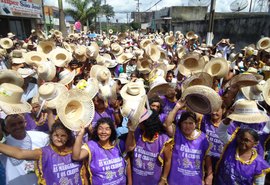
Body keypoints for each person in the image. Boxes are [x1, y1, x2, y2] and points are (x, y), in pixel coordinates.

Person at [165, 100, 213, 185]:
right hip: (175, 180)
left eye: (191, 123)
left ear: (195, 124)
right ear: (180, 124)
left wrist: (209, 175)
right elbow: (168, 124)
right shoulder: (177, 133)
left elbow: (207, 157)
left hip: (195, 180)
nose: (188, 126)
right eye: (185, 123)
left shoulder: (203, 138)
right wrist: (177, 107)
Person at [72, 117, 129, 184]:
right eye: (100, 129)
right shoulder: (92, 146)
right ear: (96, 131)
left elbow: (128, 164)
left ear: (112, 131)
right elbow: (76, 156)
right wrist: (80, 134)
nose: (103, 132)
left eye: (107, 129)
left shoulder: (118, 145)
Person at [216, 118, 270, 185]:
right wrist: (227, 120)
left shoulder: (259, 164)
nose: (242, 142)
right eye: (241, 138)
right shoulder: (231, 147)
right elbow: (221, 132)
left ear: (255, 143)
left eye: (246, 140)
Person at [125, 110, 173, 185]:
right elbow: (129, 148)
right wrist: (131, 131)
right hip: (137, 179)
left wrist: (163, 179)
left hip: (154, 180)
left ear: (149, 125)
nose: (139, 124)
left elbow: (168, 161)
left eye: (142, 122)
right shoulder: (137, 133)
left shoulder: (163, 140)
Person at [0, 114, 49, 185]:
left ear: (25, 123)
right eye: (13, 125)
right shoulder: (4, 147)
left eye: (20, 123)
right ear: (7, 128)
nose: (17, 126)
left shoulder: (42, 137)